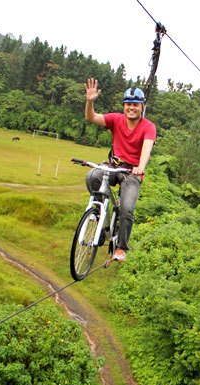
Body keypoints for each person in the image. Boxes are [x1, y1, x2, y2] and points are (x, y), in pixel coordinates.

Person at [83, 78, 156, 262]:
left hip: (132, 172)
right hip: (114, 166)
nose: (131, 108)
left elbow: (147, 148)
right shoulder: (116, 119)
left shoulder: (148, 127)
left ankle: (122, 247)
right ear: (124, 106)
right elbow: (91, 117)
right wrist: (90, 101)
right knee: (92, 176)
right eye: (128, 104)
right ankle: (98, 213)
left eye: (135, 105)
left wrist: (140, 167)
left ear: (142, 107)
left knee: (126, 209)